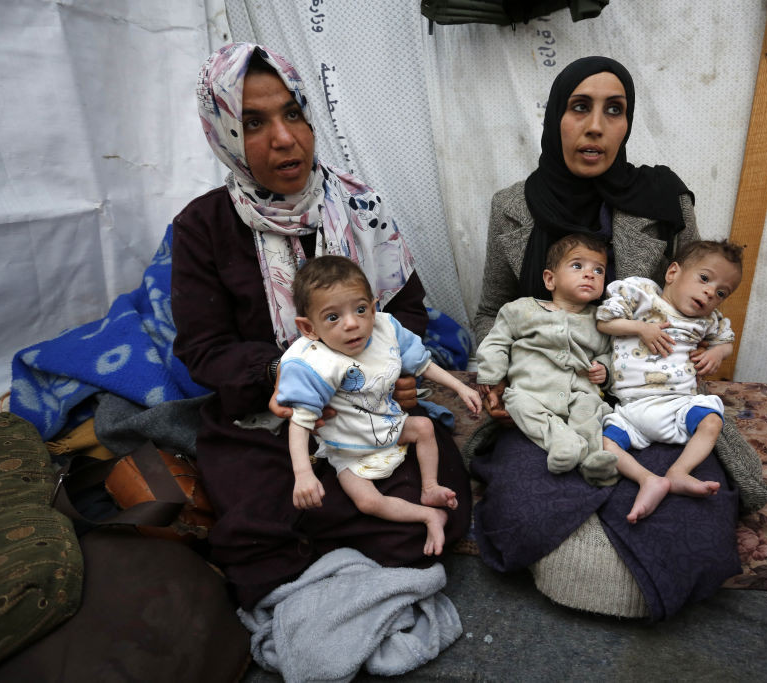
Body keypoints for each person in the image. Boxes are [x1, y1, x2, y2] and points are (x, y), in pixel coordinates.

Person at [468, 56, 767, 621]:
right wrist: (500, 379)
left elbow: (695, 293)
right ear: (555, 118)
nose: (595, 126)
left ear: (628, 124)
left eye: (614, 110)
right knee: (531, 504)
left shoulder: (664, 200)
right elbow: (491, 310)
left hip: (647, 391)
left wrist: (707, 350)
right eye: (579, 107)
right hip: (549, 391)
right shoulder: (512, 207)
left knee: (693, 512)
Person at [171, 42, 472, 609]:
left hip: (368, 412)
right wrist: (279, 375)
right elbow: (203, 349)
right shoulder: (202, 227)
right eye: (253, 123)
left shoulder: (361, 206)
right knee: (255, 534)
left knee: (438, 512)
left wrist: (396, 373)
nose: (284, 138)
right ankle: (326, 541)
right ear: (223, 133)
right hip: (268, 421)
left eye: (292, 113)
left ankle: (321, 547)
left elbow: (406, 309)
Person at [276, 256, 481, 556]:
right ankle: (427, 515)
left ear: (373, 308)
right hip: (348, 446)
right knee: (367, 502)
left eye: (360, 310)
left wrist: (461, 387)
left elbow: (422, 365)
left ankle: (430, 488)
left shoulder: (385, 329)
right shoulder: (313, 363)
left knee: (424, 427)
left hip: (389, 423)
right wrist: (303, 474)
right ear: (309, 328)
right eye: (332, 317)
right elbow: (300, 421)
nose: (352, 324)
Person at [597, 240, 743, 522]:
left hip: (678, 405)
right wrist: (641, 328)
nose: (710, 292)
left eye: (721, 292)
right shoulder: (641, 295)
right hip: (631, 409)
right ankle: (648, 479)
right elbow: (604, 321)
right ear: (673, 272)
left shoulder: (707, 321)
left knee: (712, 420)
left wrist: (717, 353)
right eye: (705, 278)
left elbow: (726, 342)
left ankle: (679, 472)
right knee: (604, 443)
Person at [475, 233, 617, 484]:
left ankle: (594, 458)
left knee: (590, 412)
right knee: (517, 403)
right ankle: (561, 441)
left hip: (578, 392)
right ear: (550, 279)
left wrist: (604, 369)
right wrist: (491, 374)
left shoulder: (602, 322)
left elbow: (613, 354)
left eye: (599, 270)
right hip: (532, 391)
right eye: (577, 266)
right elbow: (496, 341)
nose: (589, 274)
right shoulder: (521, 310)